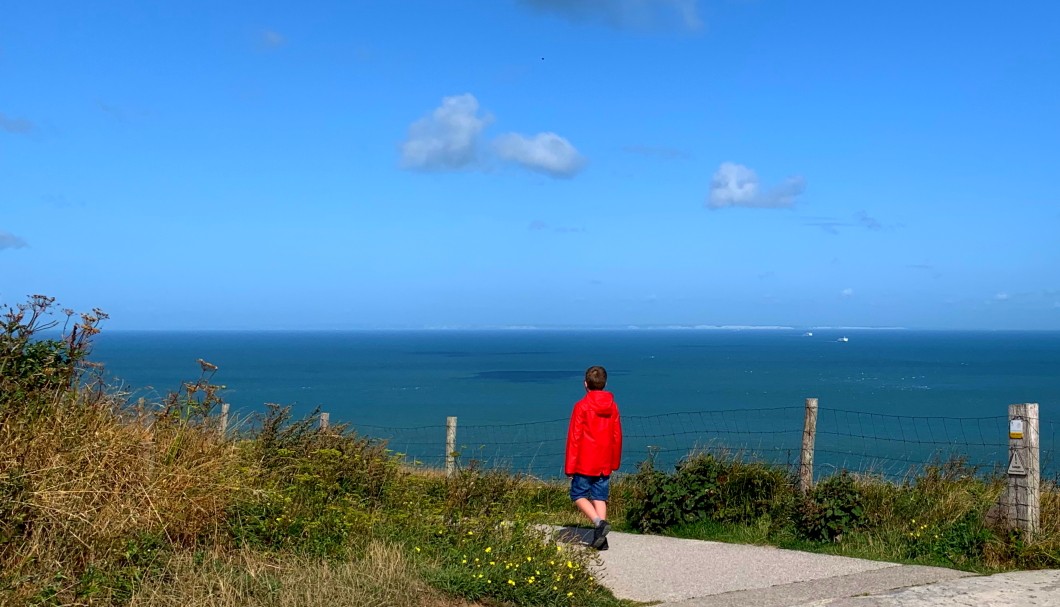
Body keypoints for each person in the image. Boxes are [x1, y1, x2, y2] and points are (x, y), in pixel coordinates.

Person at [564, 365, 622, 550]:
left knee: (578, 494)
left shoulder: (581, 406)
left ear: (585, 384)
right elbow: (617, 435)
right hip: (604, 460)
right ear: (605, 383)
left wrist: (569, 467)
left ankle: (598, 522)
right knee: (600, 496)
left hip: (584, 461)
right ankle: (601, 539)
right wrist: (615, 461)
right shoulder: (612, 406)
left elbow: (574, 438)